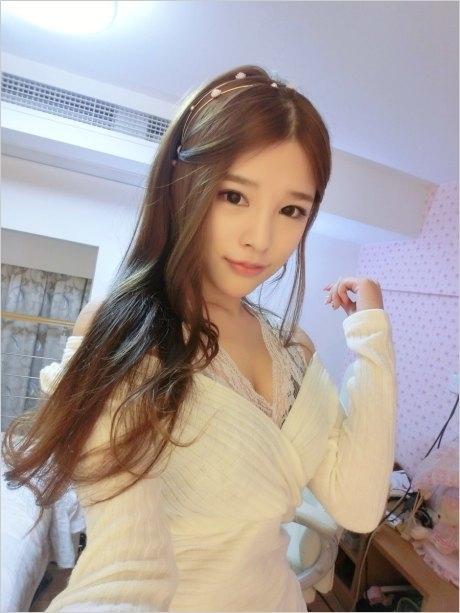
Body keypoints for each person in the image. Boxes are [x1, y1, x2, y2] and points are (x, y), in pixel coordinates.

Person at [2, 65, 397, 612]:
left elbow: (359, 506)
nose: (260, 238)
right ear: (181, 185)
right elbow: (124, 569)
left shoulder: (294, 348)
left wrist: (372, 337)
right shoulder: (124, 332)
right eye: (234, 195)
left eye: (291, 210)